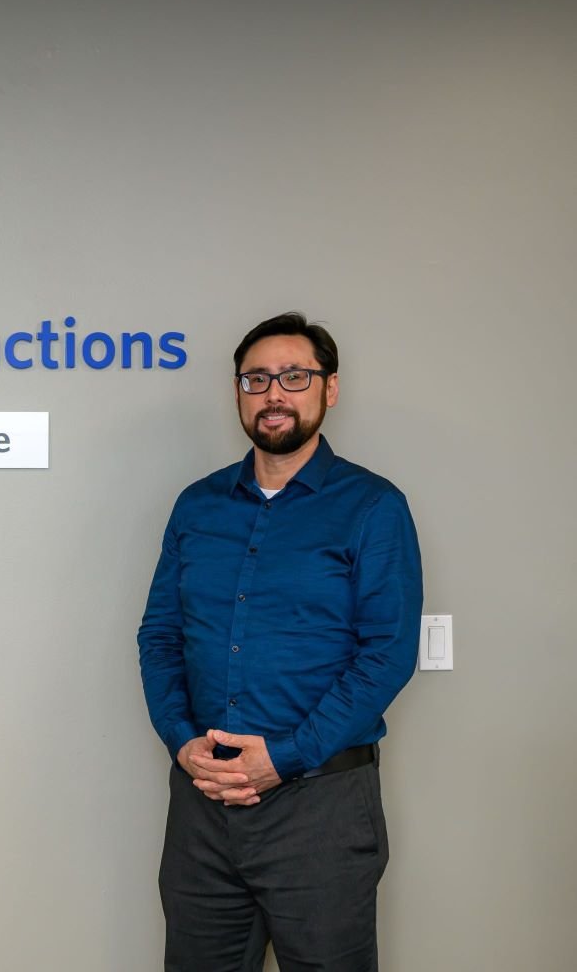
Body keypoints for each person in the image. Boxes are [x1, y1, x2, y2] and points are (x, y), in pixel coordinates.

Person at [137, 313, 422, 971]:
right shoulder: (197, 506)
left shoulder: (373, 506)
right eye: (256, 378)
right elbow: (160, 636)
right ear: (238, 391)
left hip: (320, 809)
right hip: (203, 806)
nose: (273, 394)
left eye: (294, 377)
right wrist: (182, 741)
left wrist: (284, 757)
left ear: (330, 389)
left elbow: (386, 653)